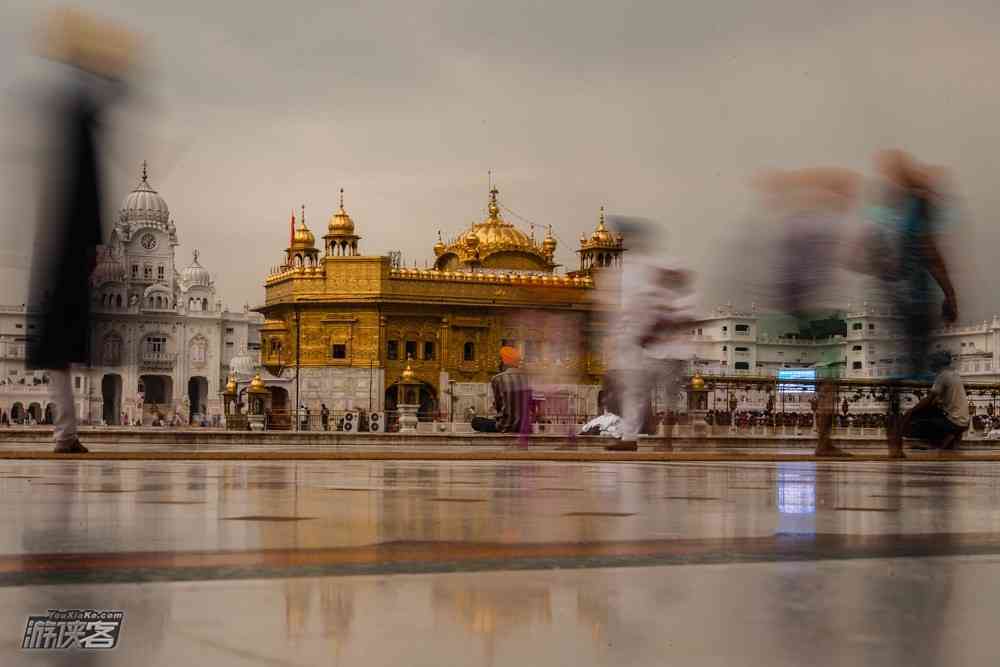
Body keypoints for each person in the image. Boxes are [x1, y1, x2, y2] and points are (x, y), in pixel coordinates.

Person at [26, 10, 137, 454]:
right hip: (67, 245)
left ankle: (66, 431)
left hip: (58, 242)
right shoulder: (80, 117)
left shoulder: (71, 111)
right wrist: (93, 243)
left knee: (61, 346)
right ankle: (65, 432)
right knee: (62, 343)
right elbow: (86, 185)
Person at [892, 351, 968, 452]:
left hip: (954, 421)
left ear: (937, 363)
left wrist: (911, 411)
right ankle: (949, 438)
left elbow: (929, 399)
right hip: (963, 421)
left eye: (932, 362)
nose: (930, 365)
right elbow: (935, 400)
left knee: (917, 417)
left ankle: (938, 440)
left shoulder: (942, 376)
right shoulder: (954, 374)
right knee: (928, 412)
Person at [471, 346, 532, 434]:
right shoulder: (527, 378)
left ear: (504, 361)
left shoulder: (497, 379)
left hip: (505, 426)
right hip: (524, 426)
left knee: (476, 421)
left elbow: (499, 406)